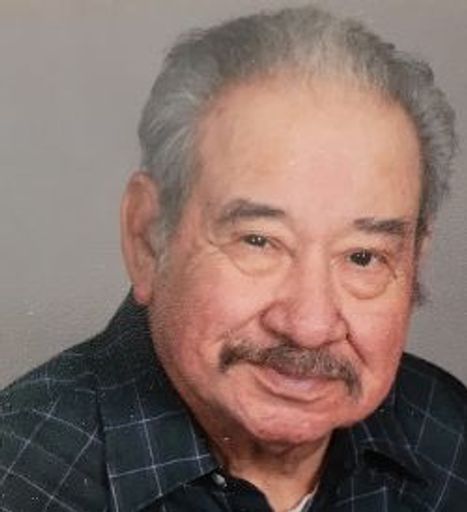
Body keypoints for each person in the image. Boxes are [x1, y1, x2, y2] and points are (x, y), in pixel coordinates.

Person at [1, 5, 466, 511]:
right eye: (259, 241)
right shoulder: (22, 479)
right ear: (147, 238)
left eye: (362, 256)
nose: (309, 326)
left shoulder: (450, 435)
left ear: (414, 261)